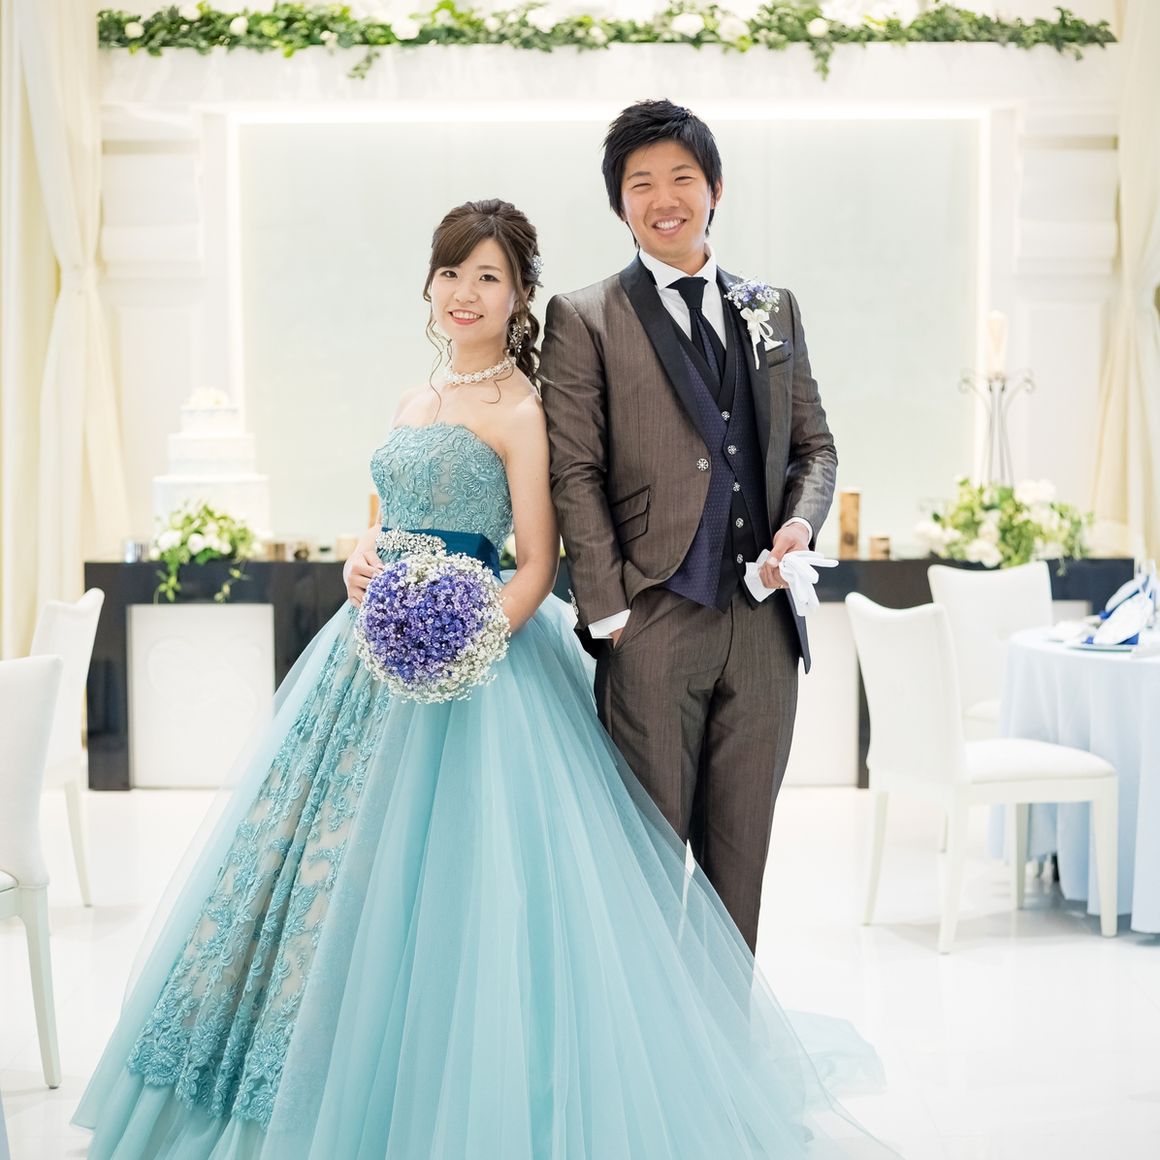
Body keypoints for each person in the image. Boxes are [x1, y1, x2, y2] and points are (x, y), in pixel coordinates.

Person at [74, 200, 890, 1159]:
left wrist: (464, 642)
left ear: (520, 297)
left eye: (489, 277)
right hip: (369, 656)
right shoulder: (413, 399)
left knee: (466, 878)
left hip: (479, 658)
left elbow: (537, 563)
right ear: (430, 284)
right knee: (325, 868)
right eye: (452, 273)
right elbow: (386, 519)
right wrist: (362, 558)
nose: (465, 293)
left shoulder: (522, 410)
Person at [540, 100, 837, 952]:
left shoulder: (772, 307)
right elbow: (574, 471)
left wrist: (800, 527)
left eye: (682, 178)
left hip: (764, 628)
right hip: (653, 620)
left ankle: (723, 1034)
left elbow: (815, 448)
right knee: (640, 864)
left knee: (739, 869)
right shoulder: (585, 316)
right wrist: (611, 613)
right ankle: (641, 1040)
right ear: (619, 203)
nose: (663, 198)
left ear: (715, 189)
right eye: (641, 184)